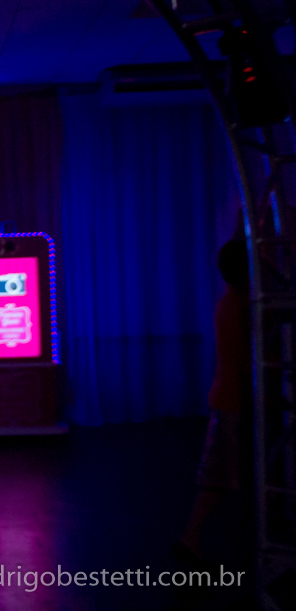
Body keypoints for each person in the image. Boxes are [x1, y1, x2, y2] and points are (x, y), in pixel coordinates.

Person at [176, 238, 252, 563]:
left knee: (224, 475)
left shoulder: (230, 302)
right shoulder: (242, 305)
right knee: (219, 477)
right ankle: (191, 537)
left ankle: (194, 538)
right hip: (234, 401)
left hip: (229, 397)